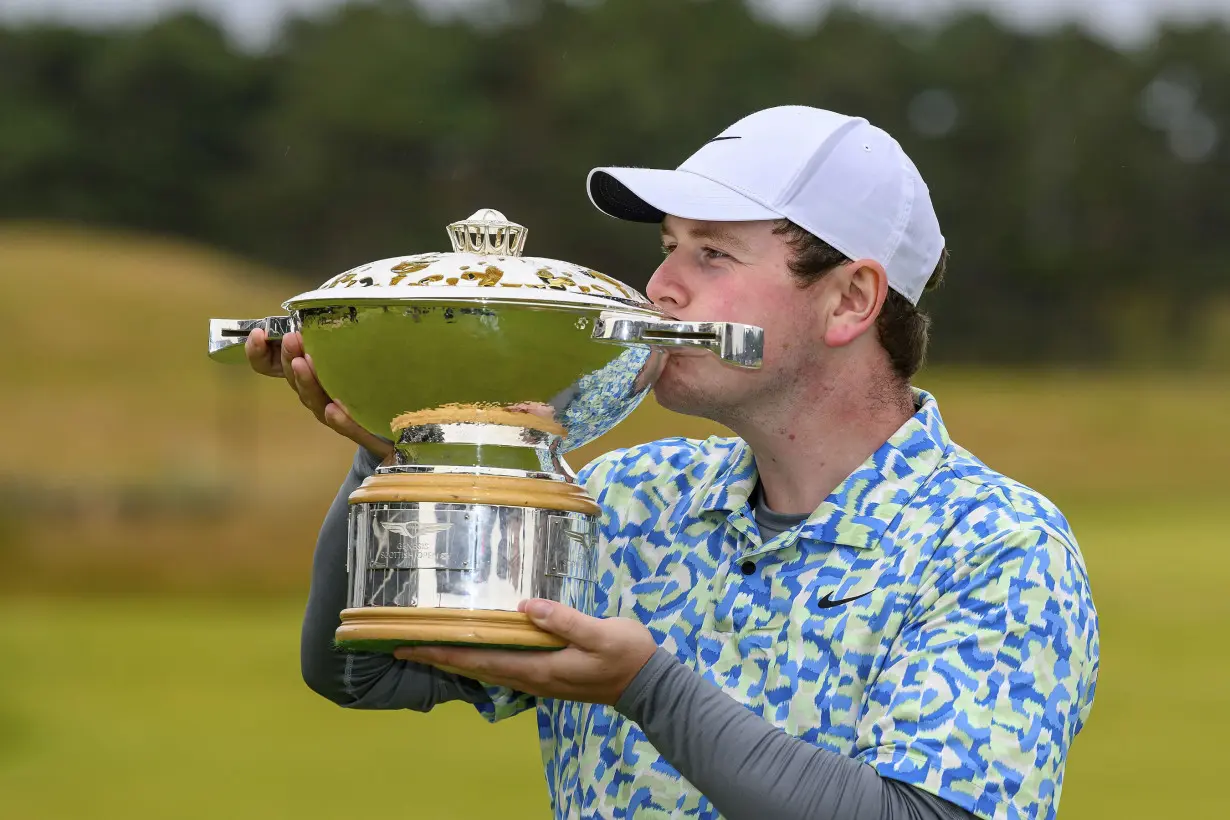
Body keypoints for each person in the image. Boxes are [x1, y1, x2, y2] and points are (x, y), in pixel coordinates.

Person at [246, 106, 1099, 820]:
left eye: (712, 254)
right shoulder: (631, 498)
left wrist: (649, 689)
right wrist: (408, 455)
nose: (660, 288)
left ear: (850, 300)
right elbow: (360, 674)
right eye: (667, 244)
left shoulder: (996, 545)